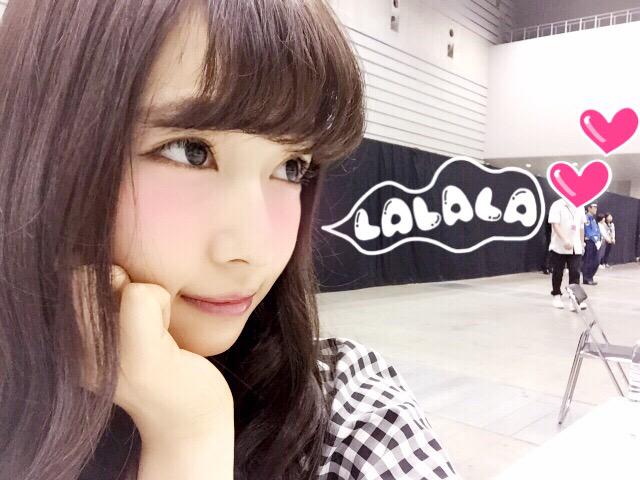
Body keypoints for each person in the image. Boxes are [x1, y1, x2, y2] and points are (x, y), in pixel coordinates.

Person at [0, 1, 458, 480]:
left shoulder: (348, 414)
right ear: (44, 154)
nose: (254, 250)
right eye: (191, 151)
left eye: (291, 167)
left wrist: (189, 436)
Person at [547, 197, 588, 310]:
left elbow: (581, 226)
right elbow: (555, 225)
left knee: (575, 272)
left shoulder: (580, 206)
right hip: (559, 245)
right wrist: (564, 239)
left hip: (576, 246)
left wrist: (582, 242)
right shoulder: (557, 205)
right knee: (558, 272)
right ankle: (556, 296)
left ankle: (574, 300)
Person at [581, 203, 601, 285]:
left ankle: (590, 277)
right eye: (594, 207)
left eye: (596, 207)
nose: (596, 209)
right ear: (589, 208)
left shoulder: (593, 219)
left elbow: (597, 230)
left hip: (595, 242)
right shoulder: (586, 218)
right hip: (589, 241)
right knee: (588, 260)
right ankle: (587, 278)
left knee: (596, 261)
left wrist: (598, 239)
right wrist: (595, 239)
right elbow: (588, 231)